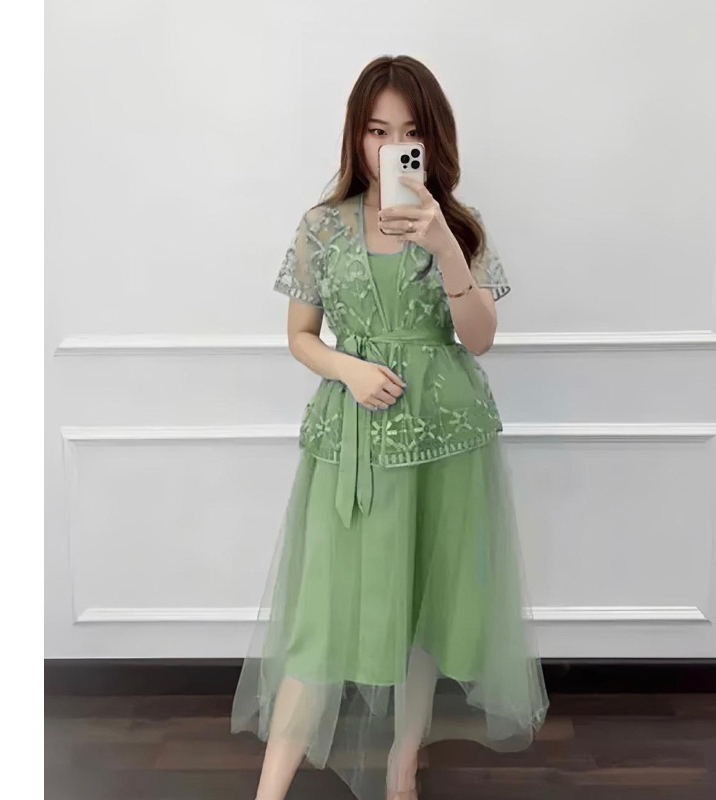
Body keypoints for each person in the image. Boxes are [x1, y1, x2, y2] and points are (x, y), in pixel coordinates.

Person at [230, 54, 549, 800]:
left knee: (425, 607)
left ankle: (404, 762)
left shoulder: (458, 226)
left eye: (410, 132)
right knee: (320, 616)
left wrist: (444, 248)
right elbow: (300, 336)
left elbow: (479, 339)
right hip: (353, 440)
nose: (393, 147)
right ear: (357, 135)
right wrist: (349, 369)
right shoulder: (321, 227)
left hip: (447, 439)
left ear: (432, 141)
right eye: (378, 131)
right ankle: (269, 791)